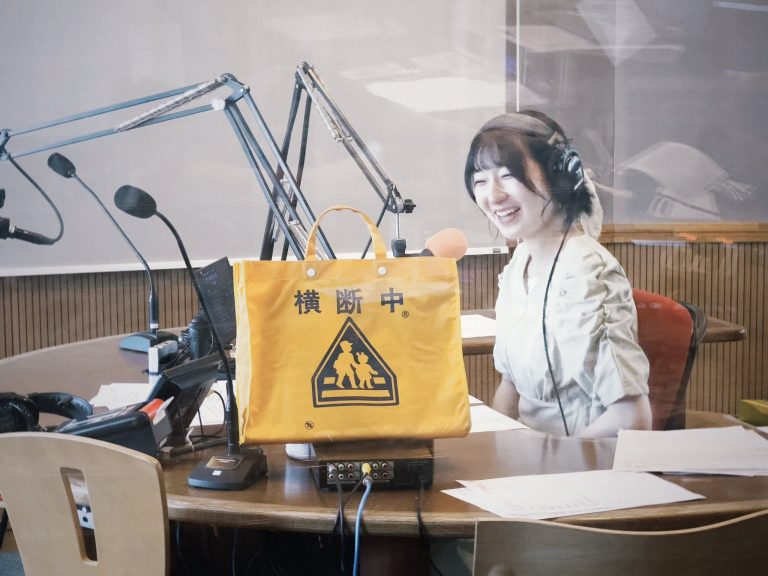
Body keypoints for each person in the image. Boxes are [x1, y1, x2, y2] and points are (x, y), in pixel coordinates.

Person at [465, 110, 651, 437]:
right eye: (481, 181)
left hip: (581, 461)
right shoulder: (520, 263)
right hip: (526, 457)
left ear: (560, 177)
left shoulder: (586, 274)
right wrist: (495, 447)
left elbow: (632, 416)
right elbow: (511, 385)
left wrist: (554, 458)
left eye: (508, 175)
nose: (493, 196)